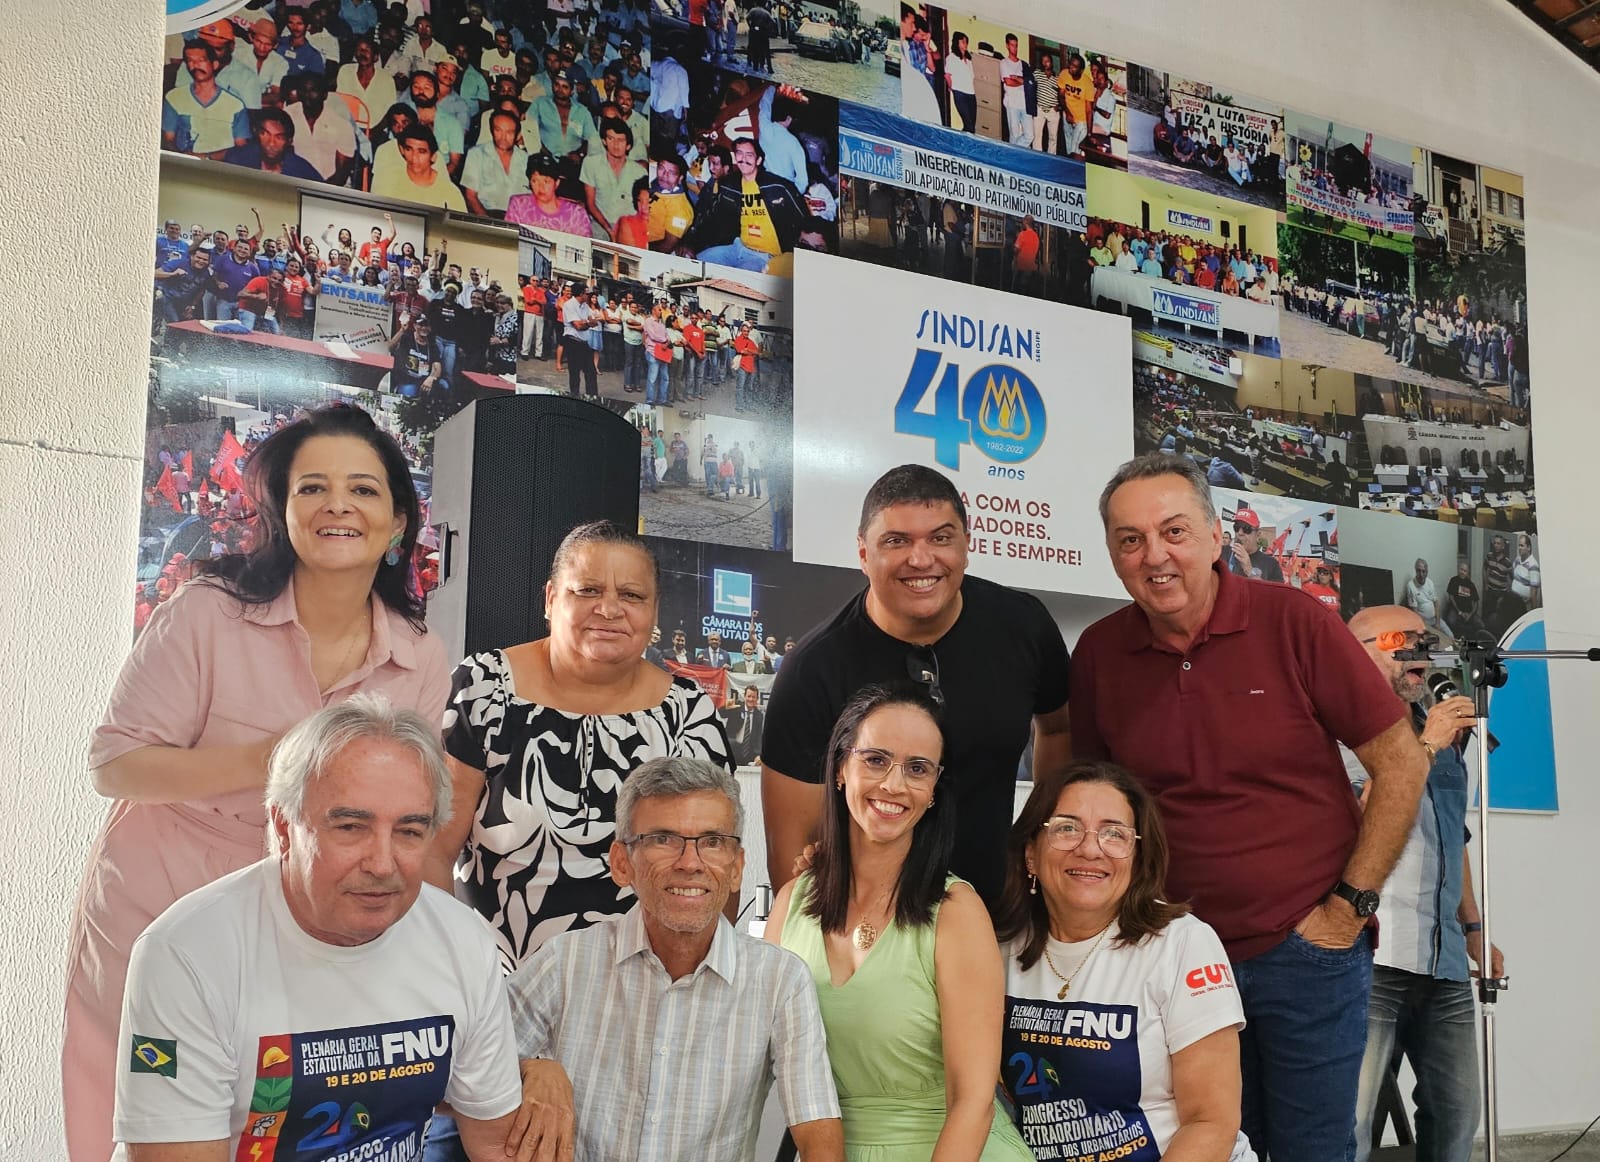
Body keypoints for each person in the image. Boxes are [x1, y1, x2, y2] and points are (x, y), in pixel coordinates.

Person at [64, 405, 451, 1162]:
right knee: (141, 1119)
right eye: (313, 487)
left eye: (363, 489)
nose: (338, 505)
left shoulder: (420, 653)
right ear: (282, 510)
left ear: (398, 521)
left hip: (308, 916)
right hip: (160, 894)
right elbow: (114, 763)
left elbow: (413, 808)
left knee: (277, 1120)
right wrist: (277, 758)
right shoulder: (206, 613)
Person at [1069, 452, 1429, 1162]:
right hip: (1171, 954)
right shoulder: (1099, 653)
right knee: (1209, 1146)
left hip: (1306, 951)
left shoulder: (1294, 622)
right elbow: (1094, 803)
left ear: (1215, 536)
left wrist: (1348, 908)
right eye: (1130, 539)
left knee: (1312, 1150)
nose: (1154, 555)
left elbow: (1402, 762)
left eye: (1173, 531)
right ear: (1111, 553)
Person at [111, 695, 528, 1160]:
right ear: (283, 826)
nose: (382, 863)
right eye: (350, 827)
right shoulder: (187, 954)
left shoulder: (462, 940)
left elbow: (497, 1146)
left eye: (409, 832)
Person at [762, 464, 1072, 908]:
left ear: (967, 544)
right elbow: (790, 862)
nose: (922, 559)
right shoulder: (812, 670)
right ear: (863, 553)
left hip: (1000, 913)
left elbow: (1058, 727)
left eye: (941, 538)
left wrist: (1040, 834)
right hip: (870, 926)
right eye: (896, 541)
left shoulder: (1024, 625)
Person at [427, 521, 732, 971]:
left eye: (631, 595)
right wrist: (447, 972)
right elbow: (433, 851)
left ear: (654, 611)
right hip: (492, 983)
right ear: (551, 599)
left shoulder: (689, 715)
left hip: (643, 988)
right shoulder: (483, 690)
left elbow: (714, 869)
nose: (609, 609)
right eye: (588, 590)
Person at [506, 758, 844, 1158]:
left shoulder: (779, 979)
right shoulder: (565, 962)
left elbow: (816, 1123)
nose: (690, 862)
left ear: (737, 868)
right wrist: (531, 1068)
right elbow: (461, 1072)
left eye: (712, 841)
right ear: (621, 863)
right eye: (663, 839)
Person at [767, 683, 1033, 1159]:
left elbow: (973, 1102)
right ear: (841, 768)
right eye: (876, 759)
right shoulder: (790, 904)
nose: (894, 785)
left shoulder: (955, 911)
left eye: (917, 768)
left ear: (933, 792)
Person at [995, 762, 1255, 1161]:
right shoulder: (996, 948)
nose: (1090, 848)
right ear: (1031, 853)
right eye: (1066, 828)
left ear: (1137, 857)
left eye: (1114, 834)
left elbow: (1211, 1122)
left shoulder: (1182, 942)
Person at [1345, 607, 1502, 1162]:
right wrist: (1427, 747)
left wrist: (1475, 928)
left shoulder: (1444, 737)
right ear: (1355, 651)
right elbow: (1350, 821)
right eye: (1401, 639)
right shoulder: (1335, 730)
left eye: (1425, 639)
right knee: (1350, 1119)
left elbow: (1452, 837)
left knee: (1457, 1114)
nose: (1420, 650)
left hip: (1445, 960)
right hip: (1370, 956)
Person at [680, 137, 824, 272]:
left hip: (765, 256)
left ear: (759, 160)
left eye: (749, 155)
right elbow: (711, 219)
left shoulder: (778, 187)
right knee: (690, 264)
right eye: (740, 154)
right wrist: (690, 243)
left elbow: (804, 222)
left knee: (737, 282)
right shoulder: (730, 186)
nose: (743, 159)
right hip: (737, 247)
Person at [372, 124, 468, 211]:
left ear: (433, 157)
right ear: (402, 150)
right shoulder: (387, 179)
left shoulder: (450, 191)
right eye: (409, 149)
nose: (414, 157)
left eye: (421, 152)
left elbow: (458, 224)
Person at [504, 152, 592, 234]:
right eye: (535, 181)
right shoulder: (519, 205)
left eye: (546, 181)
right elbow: (509, 238)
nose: (541, 187)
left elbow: (583, 243)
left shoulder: (576, 213)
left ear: (556, 183)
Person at [1225, 506, 1284, 583]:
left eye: (1246, 529)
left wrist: (1250, 571)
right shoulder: (1223, 553)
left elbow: (1275, 591)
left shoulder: (1271, 564)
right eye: (1236, 527)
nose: (1240, 533)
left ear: (1258, 534)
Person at [724, 683, 766, 767]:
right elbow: (721, 714)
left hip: (748, 755)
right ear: (744, 696)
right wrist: (726, 708)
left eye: (753, 697)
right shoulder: (736, 707)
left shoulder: (759, 715)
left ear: (757, 699)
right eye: (749, 696)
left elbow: (758, 737)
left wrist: (758, 755)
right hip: (732, 751)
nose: (751, 699)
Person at [1402, 557, 1442, 633]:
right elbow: (1414, 611)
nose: (1421, 574)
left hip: (1435, 619)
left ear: (1427, 572)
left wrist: (1437, 623)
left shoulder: (1430, 582)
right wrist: (1426, 626)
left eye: (1424, 571)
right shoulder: (1411, 585)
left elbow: (1436, 603)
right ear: (1415, 570)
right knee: (1436, 638)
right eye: (1418, 571)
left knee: (1450, 635)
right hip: (1423, 622)